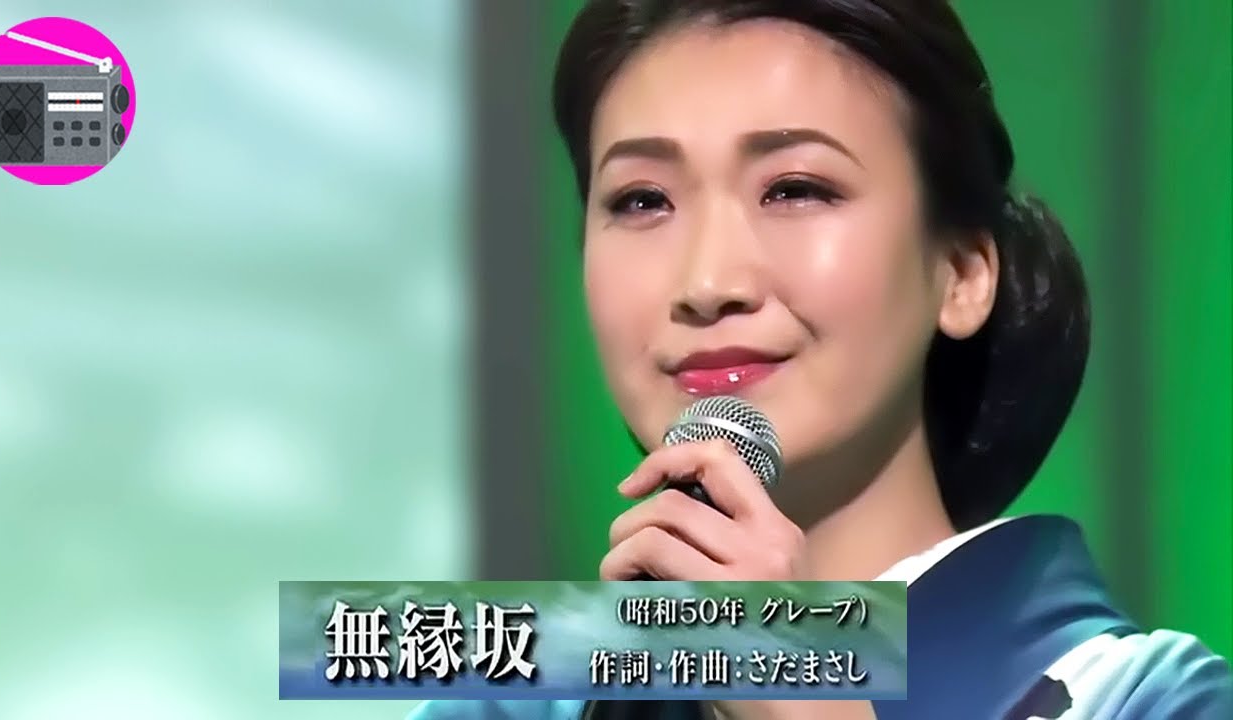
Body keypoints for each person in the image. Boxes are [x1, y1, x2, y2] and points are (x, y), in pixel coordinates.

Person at [412, 0, 1232, 717]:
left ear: (961, 273)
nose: (708, 284)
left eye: (796, 189)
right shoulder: (516, 697)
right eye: (642, 200)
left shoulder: (1145, 700)